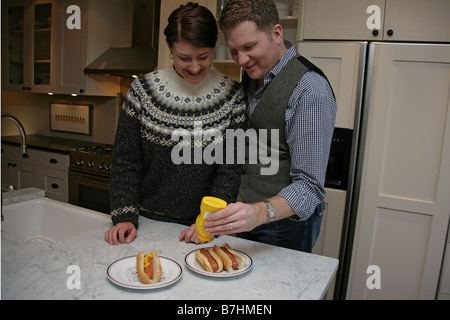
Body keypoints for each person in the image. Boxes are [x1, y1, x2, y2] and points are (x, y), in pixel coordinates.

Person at [105, 2, 246, 245]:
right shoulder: (142, 91)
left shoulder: (233, 95)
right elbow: (125, 161)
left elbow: (230, 170)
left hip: (201, 228)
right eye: (184, 58)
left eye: (204, 57)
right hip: (145, 224)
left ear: (214, 48)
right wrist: (124, 215)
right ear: (170, 49)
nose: (194, 67)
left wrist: (207, 222)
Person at [203, 0, 337, 252]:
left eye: (249, 46)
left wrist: (260, 212)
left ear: (276, 33)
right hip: (246, 215)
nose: (241, 59)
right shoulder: (256, 74)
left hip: (285, 226)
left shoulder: (310, 90)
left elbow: (310, 188)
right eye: (233, 50)